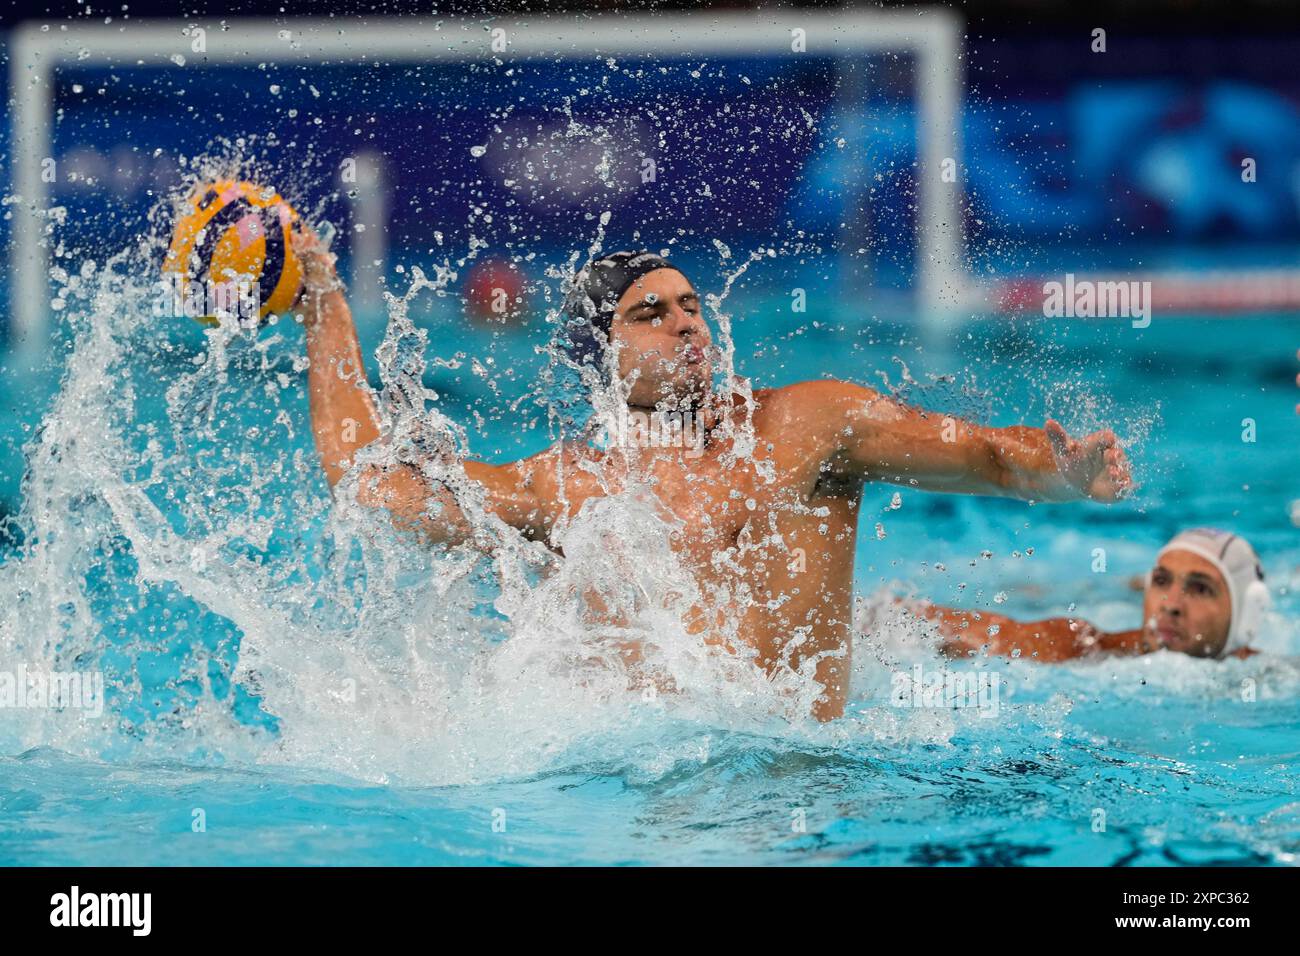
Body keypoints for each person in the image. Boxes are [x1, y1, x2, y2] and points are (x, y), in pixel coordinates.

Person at [289, 228, 1133, 720]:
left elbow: (981, 451)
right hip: (655, 788)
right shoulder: (570, 485)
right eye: (650, 314)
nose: (686, 324)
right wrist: (324, 304)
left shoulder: (806, 425)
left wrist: (1058, 474)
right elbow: (373, 485)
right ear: (602, 358)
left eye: (692, 305)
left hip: (813, 776)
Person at [914, 528, 1269, 661]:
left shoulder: (1273, 678)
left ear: (1247, 611)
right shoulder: (1085, 647)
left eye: (1200, 589)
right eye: (1161, 582)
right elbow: (910, 620)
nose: (1170, 605)